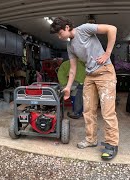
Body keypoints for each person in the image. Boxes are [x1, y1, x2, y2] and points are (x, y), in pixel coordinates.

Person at [50, 17, 119, 160]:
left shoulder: (84, 29)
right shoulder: (70, 46)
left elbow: (112, 29)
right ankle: (91, 139)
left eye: (59, 32)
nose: (59, 36)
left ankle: (112, 144)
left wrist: (107, 53)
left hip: (105, 72)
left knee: (107, 111)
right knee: (88, 110)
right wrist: (68, 87)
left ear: (67, 27)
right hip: (90, 75)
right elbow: (73, 69)